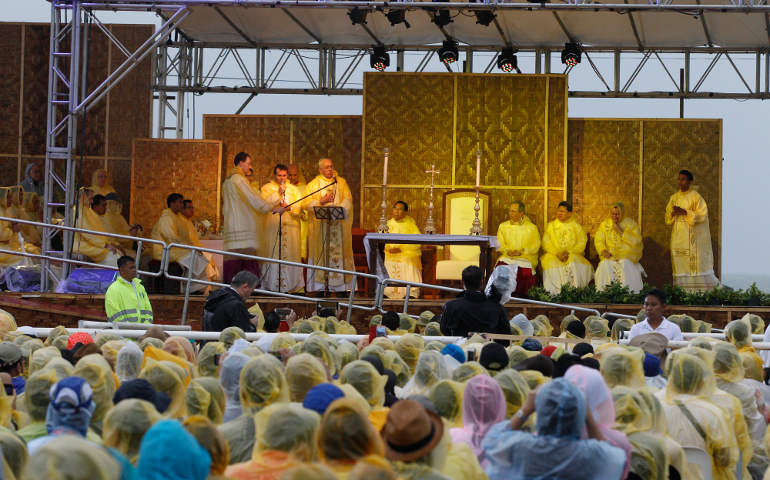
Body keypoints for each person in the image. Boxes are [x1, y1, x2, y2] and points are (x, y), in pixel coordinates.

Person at [483, 377, 627, 480]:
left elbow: (491, 440)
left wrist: (526, 409)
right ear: (580, 414)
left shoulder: (522, 447)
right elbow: (614, 456)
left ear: (540, 410)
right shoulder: (590, 455)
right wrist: (588, 416)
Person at [222, 152, 283, 284]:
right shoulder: (239, 179)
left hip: (232, 226)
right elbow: (255, 201)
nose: (250, 167)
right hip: (242, 225)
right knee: (246, 260)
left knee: (234, 261)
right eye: (249, 163)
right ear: (241, 163)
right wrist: (274, 203)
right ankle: (249, 291)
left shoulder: (227, 181)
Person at [303, 158, 354, 293]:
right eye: (326, 167)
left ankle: (341, 288)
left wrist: (338, 208)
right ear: (320, 170)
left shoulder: (341, 183)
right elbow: (306, 204)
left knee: (339, 255)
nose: (330, 169)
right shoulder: (313, 185)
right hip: (321, 229)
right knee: (321, 255)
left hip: (338, 227)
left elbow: (348, 200)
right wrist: (321, 201)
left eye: (331, 166)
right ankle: (320, 287)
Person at [665, 169, 719, 291]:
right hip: (678, 237)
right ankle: (682, 293)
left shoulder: (695, 197)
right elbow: (667, 218)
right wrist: (673, 213)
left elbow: (702, 215)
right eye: (679, 179)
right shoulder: (674, 197)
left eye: (683, 179)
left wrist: (684, 212)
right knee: (680, 266)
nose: (680, 182)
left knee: (695, 266)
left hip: (692, 239)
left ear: (690, 182)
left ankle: (698, 294)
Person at [151, 193, 208, 293]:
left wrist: (193, 247)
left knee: (200, 258)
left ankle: (194, 288)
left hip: (177, 248)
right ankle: (188, 288)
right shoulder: (166, 217)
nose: (182, 205)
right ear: (172, 204)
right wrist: (188, 247)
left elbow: (186, 238)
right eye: (180, 202)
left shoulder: (179, 218)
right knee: (193, 258)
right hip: (165, 250)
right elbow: (170, 236)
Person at [260, 164, 303, 293]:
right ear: (275, 175)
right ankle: (271, 286)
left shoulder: (294, 189)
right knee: (273, 254)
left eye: (284, 175)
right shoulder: (267, 188)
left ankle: (291, 286)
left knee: (290, 254)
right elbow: (263, 205)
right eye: (279, 175)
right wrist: (278, 193)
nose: (282, 178)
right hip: (273, 228)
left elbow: (299, 207)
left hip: (290, 229)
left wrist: (289, 207)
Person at [439, 266, 511, 338]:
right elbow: (505, 336)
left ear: (462, 282)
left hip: (460, 347)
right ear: (482, 281)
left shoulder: (451, 306)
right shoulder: (497, 308)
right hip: (488, 347)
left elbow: (444, 330)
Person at [540, 201, 593, 295]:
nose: (559, 213)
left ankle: (573, 293)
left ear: (569, 213)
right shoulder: (551, 226)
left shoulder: (576, 226)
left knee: (573, 263)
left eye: (562, 211)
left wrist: (569, 252)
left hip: (572, 254)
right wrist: (557, 253)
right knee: (550, 263)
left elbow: (581, 243)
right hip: (554, 254)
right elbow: (546, 242)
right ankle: (554, 294)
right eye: (558, 211)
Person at [593, 202, 644, 293]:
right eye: (613, 214)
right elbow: (598, 240)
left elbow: (636, 241)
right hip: (610, 256)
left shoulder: (630, 224)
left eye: (617, 214)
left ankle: (626, 294)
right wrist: (603, 250)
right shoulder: (605, 224)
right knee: (604, 265)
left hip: (626, 256)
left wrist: (621, 232)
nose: (615, 216)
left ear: (622, 214)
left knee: (625, 264)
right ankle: (604, 293)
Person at [495, 201, 541, 297]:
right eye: (510, 211)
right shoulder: (503, 226)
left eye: (514, 211)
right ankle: (502, 295)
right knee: (502, 266)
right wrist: (508, 251)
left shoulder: (532, 228)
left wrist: (522, 251)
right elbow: (499, 244)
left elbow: (536, 245)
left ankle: (523, 297)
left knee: (523, 270)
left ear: (521, 213)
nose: (510, 213)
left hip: (525, 257)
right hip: (508, 256)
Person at [383, 201, 423, 299]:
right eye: (395, 208)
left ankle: (410, 293)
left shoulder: (410, 224)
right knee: (387, 261)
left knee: (408, 262)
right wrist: (388, 248)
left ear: (405, 212)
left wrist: (401, 249)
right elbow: (382, 239)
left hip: (406, 253)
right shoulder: (388, 224)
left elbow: (417, 242)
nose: (396, 211)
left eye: (400, 209)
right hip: (390, 254)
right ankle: (388, 292)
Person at [73, 192, 123, 266]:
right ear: (83, 198)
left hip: (92, 244)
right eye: (90, 199)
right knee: (113, 256)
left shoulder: (88, 210)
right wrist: (105, 245)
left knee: (118, 255)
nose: (92, 201)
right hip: (80, 246)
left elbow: (98, 232)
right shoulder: (77, 211)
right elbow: (87, 233)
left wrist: (108, 244)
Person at [104, 255, 153, 324]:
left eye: (135, 267)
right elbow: (115, 315)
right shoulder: (113, 289)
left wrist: (144, 327)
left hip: (142, 331)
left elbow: (148, 310)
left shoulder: (140, 287)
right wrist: (129, 329)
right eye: (131, 268)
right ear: (122, 270)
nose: (134, 270)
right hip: (124, 332)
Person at [181, 199, 219, 285]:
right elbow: (185, 240)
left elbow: (195, 240)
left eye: (192, 207)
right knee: (203, 259)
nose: (192, 210)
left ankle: (203, 286)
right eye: (189, 207)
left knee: (207, 256)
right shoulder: (181, 222)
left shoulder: (188, 222)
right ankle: (195, 286)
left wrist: (201, 249)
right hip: (185, 250)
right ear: (182, 209)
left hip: (193, 248)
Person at [102, 192, 139, 257]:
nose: (117, 206)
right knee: (133, 256)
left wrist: (132, 229)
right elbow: (113, 236)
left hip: (125, 246)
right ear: (109, 204)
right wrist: (130, 235)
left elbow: (124, 230)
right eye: (115, 204)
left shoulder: (119, 217)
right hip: (115, 247)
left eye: (117, 204)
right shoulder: (106, 217)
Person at [287, 164, 309, 261]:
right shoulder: (283, 187)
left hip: (300, 223)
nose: (292, 177)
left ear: (298, 175)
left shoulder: (305, 188)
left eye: (294, 175)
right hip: (286, 222)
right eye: (290, 175)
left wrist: (302, 213)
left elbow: (306, 206)